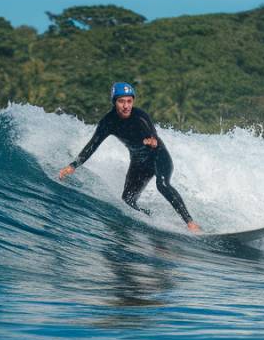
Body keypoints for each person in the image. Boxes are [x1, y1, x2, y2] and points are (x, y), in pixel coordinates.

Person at [59, 82, 201, 232]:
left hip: (158, 156)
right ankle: (152, 219)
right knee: (128, 200)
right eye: (121, 101)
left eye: (129, 101)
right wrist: (73, 166)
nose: (126, 106)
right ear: (114, 102)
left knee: (163, 185)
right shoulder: (108, 122)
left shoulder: (140, 116)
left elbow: (153, 135)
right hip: (139, 163)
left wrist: (151, 141)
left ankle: (191, 223)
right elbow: (93, 145)